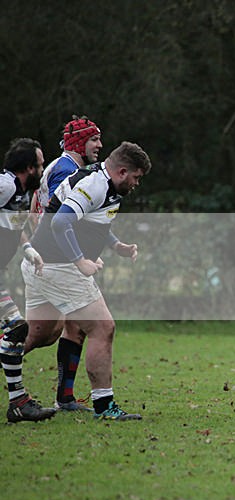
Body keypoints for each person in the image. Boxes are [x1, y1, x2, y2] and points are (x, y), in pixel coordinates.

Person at [22, 141, 151, 421]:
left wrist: (116, 246)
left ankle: (65, 398)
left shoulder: (105, 183)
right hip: (59, 267)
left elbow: (93, 221)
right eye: (136, 177)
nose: (136, 184)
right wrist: (80, 260)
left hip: (40, 264)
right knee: (103, 328)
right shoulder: (95, 184)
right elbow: (61, 223)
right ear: (122, 171)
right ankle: (105, 407)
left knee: (40, 334)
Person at [29, 115, 103, 412]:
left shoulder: (64, 167)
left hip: (52, 257)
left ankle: (65, 398)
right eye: (94, 139)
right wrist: (81, 254)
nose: (99, 145)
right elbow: (65, 218)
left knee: (62, 329)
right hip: (55, 259)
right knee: (44, 332)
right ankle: (68, 398)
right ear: (79, 143)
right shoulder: (66, 170)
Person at [0, 138, 55, 422]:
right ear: (28, 168)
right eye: (40, 165)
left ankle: (18, 403)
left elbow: (11, 223)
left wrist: (28, 248)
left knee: (16, 331)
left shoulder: (19, 193)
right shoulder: (6, 185)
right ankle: (19, 403)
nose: (43, 171)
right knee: (15, 329)